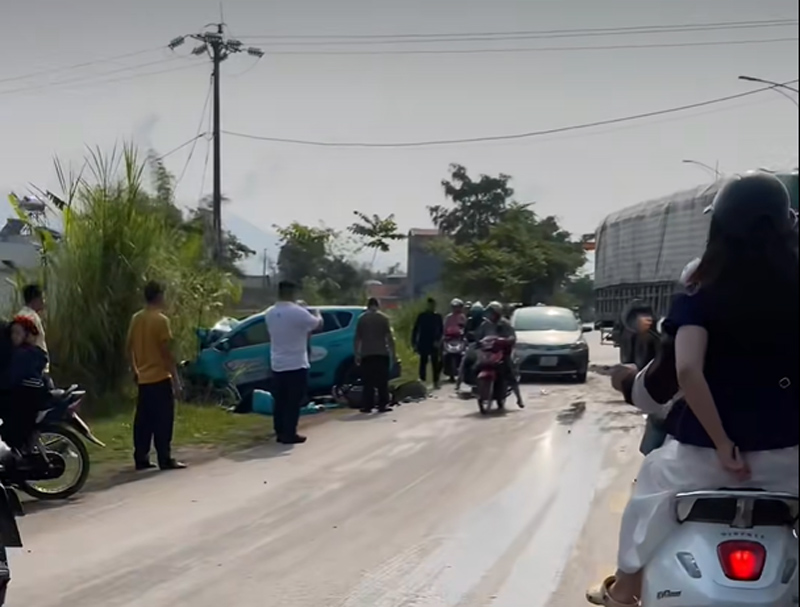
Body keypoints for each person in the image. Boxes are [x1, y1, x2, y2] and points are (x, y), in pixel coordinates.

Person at [587, 172, 799, 606]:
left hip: (703, 459)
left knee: (650, 492)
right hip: (787, 460)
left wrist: (722, 444)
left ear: (717, 229)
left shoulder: (701, 290)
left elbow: (686, 370)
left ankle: (625, 590)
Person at [126, 281, 185, 471]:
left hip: (143, 378)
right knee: (163, 420)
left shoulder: (136, 318)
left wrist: (135, 369)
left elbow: (129, 347)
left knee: (143, 421)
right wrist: (175, 379)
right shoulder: (161, 321)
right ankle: (164, 458)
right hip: (160, 377)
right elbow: (165, 352)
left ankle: (141, 457)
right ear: (159, 296)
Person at [264, 280, 323, 444]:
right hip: (296, 363)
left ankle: (279, 431)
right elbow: (317, 324)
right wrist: (317, 312)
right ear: (292, 293)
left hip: (277, 363)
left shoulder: (269, 313)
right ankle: (290, 433)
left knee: (280, 400)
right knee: (293, 401)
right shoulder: (297, 312)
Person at [0, 316, 49, 449]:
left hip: (24, 395)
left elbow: (13, 377)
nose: (14, 336)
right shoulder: (19, 352)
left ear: (27, 336)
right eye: (13, 333)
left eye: (18, 333)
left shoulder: (25, 355)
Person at [474, 301, 524, 408]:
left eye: (492, 312)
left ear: (497, 312)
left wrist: (507, 340)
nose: (490, 314)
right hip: (487, 353)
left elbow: (512, 337)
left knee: (509, 373)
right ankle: (476, 388)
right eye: (489, 312)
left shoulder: (505, 324)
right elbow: (478, 337)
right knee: (475, 366)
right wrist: (477, 341)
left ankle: (519, 399)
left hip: (502, 353)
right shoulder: (485, 324)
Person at [354, 297, 395, 413]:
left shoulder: (361, 319)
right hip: (381, 353)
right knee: (382, 381)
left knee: (368, 382)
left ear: (368, 305)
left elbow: (357, 338)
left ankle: (368, 405)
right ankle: (383, 404)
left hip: (367, 354)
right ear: (378, 305)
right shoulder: (383, 318)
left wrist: (357, 354)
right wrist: (393, 353)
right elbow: (389, 337)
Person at [412, 297, 443, 388]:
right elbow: (416, 329)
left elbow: (441, 330)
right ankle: (422, 381)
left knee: (435, 362)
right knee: (423, 362)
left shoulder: (437, 317)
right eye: (430, 305)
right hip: (424, 341)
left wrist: (438, 341)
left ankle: (436, 381)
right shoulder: (422, 316)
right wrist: (414, 342)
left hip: (434, 342)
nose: (431, 307)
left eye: (433, 305)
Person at [17, 284, 48, 370]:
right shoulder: (31, 318)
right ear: (36, 300)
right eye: (42, 298)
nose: (44, 302)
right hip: (34, 367)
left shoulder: (20, 315)